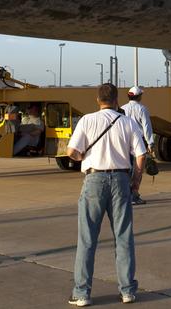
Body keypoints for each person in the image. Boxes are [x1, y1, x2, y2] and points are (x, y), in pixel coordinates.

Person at [65, 83, 147, 307]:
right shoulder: (128, 122)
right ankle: (127, 290)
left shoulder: (87, 120)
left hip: (94, 180)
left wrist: (81, 158)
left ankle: (82, 293)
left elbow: (71, 151)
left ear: (97, 99)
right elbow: (141, 155)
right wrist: (135, 183)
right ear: (116, 99)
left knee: (87, 239)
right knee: (123, 237)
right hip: (121, 180)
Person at [122, 87, 154, 205]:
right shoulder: (142, 109)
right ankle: (134, 195)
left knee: (126, 169)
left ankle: (126, 194)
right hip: (138, 141)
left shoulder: (122, 108)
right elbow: (147, 127)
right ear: (139, 96)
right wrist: (150, 143)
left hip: (125, 142)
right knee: (138, 170)